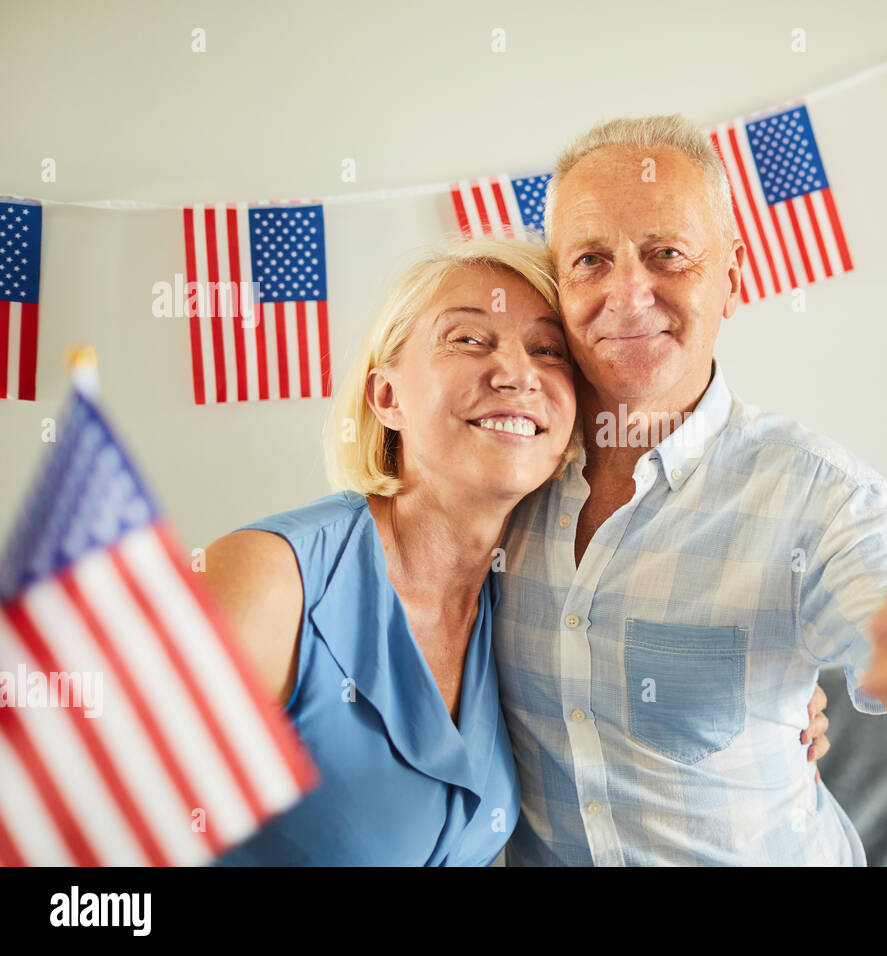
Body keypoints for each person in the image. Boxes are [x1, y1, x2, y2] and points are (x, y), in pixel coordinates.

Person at [492, 115, 887, 865]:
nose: (627, 293)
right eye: (591, 259)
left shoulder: (822, 500)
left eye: (667, 255)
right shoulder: (497, 479)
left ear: (732, 279)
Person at [201, 237, 830, 865]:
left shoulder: (530, 588)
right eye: (469, 340)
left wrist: (776, 698)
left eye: (547, 350)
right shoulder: (271, 581)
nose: (515, 373)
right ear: (386, 397)